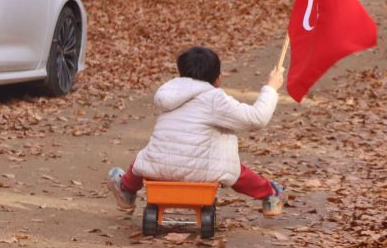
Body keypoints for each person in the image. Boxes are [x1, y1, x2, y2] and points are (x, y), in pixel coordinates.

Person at [107, 47, 288, 217]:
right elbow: (257, 118)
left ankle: (126, 190)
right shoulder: (214, 98)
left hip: (158, 169)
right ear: (218, 79)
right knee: (234, 169)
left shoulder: (169, 93)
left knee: (143, 159)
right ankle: (270, 195)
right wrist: (271, 88)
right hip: (203, 174)